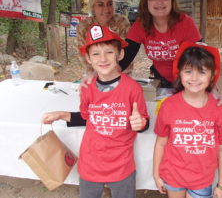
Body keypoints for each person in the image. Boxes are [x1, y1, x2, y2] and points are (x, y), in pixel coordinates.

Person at [42, 24, 149, 198]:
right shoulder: (87, 87)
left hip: (121, 165)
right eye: (96, 54)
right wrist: (61, 115)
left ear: (120, 54)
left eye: (109, 52)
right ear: (89, 59)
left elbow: (143, 122)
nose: (103, 58)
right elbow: (87, 118)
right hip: (90, 164)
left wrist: (141, 123)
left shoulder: (133, 89)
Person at [153, 41, 222, 198]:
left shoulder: (219, 108)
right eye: (188, 71)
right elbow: (160, 143)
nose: (194, 78)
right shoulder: (168, 105)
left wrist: (221, 185)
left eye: (202, 72)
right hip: (173, 176)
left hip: (202, 180)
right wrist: (156, 175)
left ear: (212, 75)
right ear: (179, 73)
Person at [119, 0, 202, 88]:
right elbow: (125, 58)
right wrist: (101, 76)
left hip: (188, 82)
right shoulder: (140, 25)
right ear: (146, 2)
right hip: (160, 81)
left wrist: (210, 86)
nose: (160, 1)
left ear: (172, 0)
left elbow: (202, 57)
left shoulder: (185, 22)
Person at [77, 0, 131, 74]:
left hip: (121, 75)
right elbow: (84, 58)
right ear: (93, 6)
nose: (106, 9)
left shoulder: (122, 23)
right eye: (100, 5)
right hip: (94, 77)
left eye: (109, 4)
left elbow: (127, 56)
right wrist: (97, 81)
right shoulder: (84, 27)